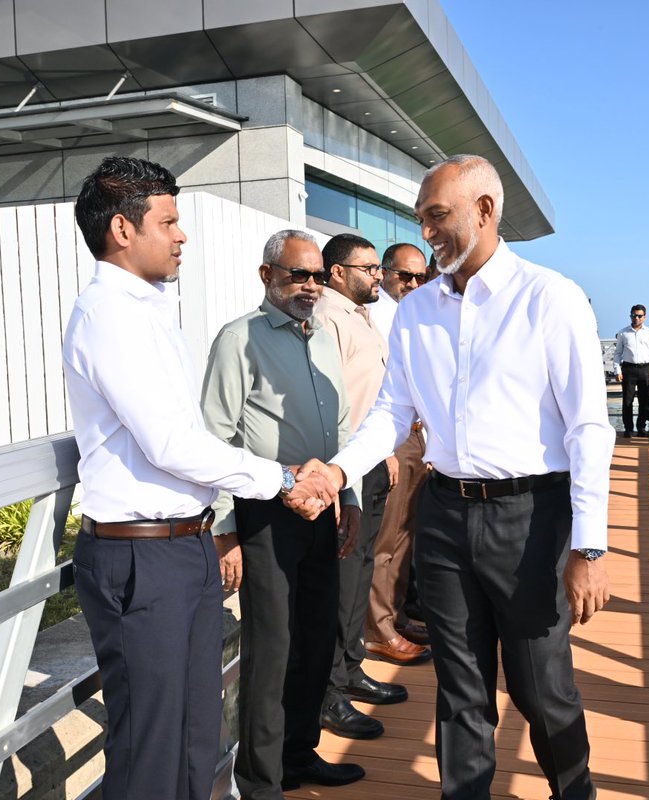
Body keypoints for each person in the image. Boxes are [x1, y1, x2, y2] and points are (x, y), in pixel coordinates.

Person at [302, 154, 614, 800]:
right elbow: (391, 411)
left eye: (437, 217)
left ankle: (574, 791)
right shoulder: (417, 314)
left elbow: (589, 429)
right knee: (460, 686)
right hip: (444, 517)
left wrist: (590, 547)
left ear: (485, 211)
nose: (427, 233)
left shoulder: (549, 300)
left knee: (540, 686)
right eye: (421, 220)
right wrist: (337, 470)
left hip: (533, 519)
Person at [61, 157, 335, 800]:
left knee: (194, 736)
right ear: (123, 231)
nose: (182, 235)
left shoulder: (149, 308)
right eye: (169, 221)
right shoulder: (109, 315)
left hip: (179, 545)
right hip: (139, 553)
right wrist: (280, 478)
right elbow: (171, 444)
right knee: (152, 750)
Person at [200, 229, 364, 797]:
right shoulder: (238, 339)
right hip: (265, 513)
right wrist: (223, 530)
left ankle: (298, 757)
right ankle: (261, 780)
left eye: (318, 276)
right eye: (298, 274)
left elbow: (340, 428)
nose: (310, 286)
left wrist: (350, 499)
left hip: (322, 508)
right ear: (267, 275)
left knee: (317, 640)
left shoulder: (322, 338)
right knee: (272, 652)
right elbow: (214, 439)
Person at [313, 233, 421, 743]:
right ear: (337, 272)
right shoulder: (328, 319)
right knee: (345, 576)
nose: (380, 276)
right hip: (348, 467)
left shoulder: (361, 317)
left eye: (380, 269)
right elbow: (336, 403)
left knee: (359, 573)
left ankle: (351, 669)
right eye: (369, 268)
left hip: (371, 460)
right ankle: (330, 691)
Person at [366, 242, 435, 661]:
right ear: (385, 273)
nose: (412, 284)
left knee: (408, 532)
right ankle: (378, 627)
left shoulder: (413, 315)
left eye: (420, 277)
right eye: (403, 276)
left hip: (416, 435)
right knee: (386, 537)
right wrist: (387, 449)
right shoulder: (373, 316)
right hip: (390, 437)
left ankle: (395, 614)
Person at [613, 304, 649, 437]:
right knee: (627, 400)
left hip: (645, 368)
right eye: (634, 315)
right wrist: (617, 370)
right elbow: (617, 353)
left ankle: (641, 427)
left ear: (644, 317)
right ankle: (628, 428)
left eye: (639, 316)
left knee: (645, 400)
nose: (636, 318)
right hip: (629, 369)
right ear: (630, 316)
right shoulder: (623, 333)